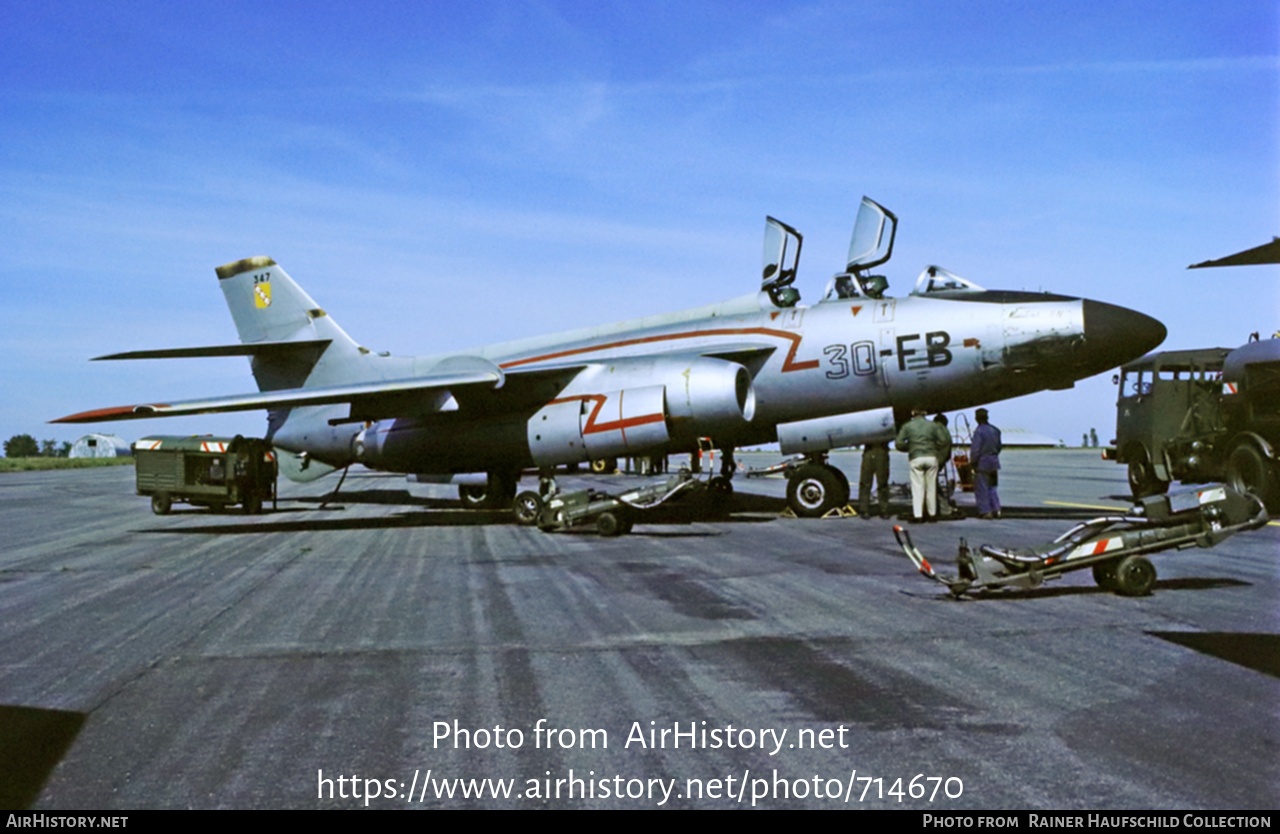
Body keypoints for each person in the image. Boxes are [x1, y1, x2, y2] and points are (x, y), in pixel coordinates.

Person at [895, 407, 951, 522]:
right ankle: (932, 515)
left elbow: (899, 443)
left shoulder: (907, 426)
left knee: (917, 488)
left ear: (913, 413)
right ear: (925, 413)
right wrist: (933, 448)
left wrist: (911, 448)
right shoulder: (933, 425)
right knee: (931, 487)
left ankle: (918, 515)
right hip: (931, 457)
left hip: (916, 458)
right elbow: (943, 440)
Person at [971, 408, 1002, 519]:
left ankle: (985, 511)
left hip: (982, 462)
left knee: (982, 487)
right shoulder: (995, 430)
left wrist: (973, 462)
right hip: (994, 462)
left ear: (977, 418)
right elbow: (999, 447)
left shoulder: (979, 431)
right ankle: (996, 509)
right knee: (992, 487)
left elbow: (975, 450)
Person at [857, 440, 891, 519]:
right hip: (871, 452)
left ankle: (883, 509)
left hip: (880, 452)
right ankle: (864, 509)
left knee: (882, 483)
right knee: (865, 482)